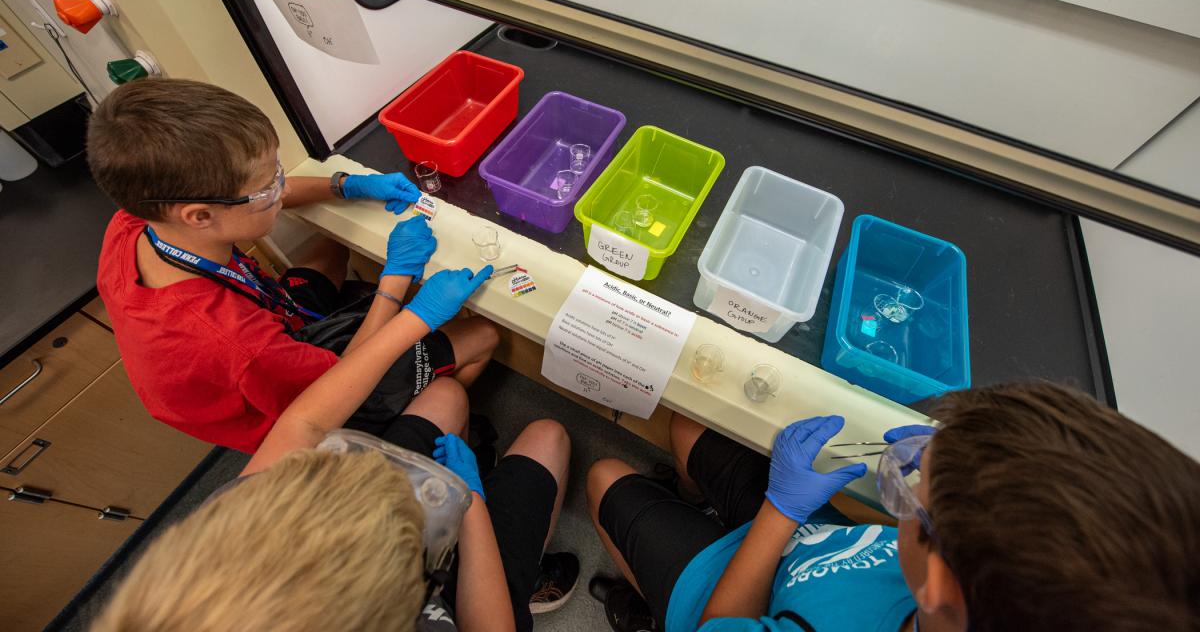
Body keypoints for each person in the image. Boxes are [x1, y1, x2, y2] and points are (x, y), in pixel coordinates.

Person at [90, 265, 579, 631]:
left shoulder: (224, 543)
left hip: (371, 521)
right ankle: (526, 579)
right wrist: (470, 504)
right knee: (549, 436)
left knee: (447, 395)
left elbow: (304, 421)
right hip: (463, 596)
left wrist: (415, 315)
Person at [88, 78, 499, 453]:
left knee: (333, 245)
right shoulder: (240, 346)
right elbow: (337, 382)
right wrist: (397, 284)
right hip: (304, 410)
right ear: (198, 215)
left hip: (276, 323)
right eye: (268, 186)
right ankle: (417, 427)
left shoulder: (138, 219)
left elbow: (265, 196)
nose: (281, 188)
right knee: (480, 334)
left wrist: (344, 186)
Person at [587, 381, 1200, 632]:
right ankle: (701, 503)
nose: (903, 484)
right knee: (693, 427)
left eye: (911, 495)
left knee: (606, 476)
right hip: (813, 537)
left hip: (727, 595)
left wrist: (779, 509)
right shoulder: (980, 595)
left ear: (939, 584)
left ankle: (647, 605)